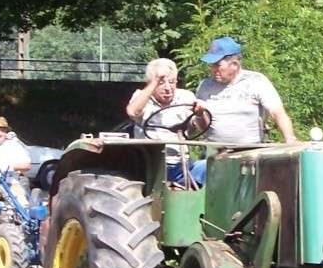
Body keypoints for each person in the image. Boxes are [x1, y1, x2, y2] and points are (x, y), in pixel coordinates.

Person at [190, 37, 296, 184]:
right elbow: (204, 128)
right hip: (215, 154)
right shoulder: (205, 86)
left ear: (234, 64)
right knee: (193, 174)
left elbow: (277, 113)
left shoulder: (256, 81)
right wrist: (200, 114)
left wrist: (290, 139)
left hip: (249, 155)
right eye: (211, 65)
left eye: (217, 65)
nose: (213, 69)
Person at [126, 58, 196, 185]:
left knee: (212, 169)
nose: (168, 88)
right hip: (150, 165)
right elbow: (132, 112)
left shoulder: (186, 97)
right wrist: (154, 82)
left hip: (182, 164)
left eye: (172, 82)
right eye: (161, 83)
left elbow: (199, 126)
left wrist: (201, 112)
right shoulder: (141, 97)